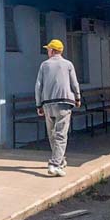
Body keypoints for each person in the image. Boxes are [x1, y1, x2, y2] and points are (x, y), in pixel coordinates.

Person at [35, 39, 81, 177]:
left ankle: (59, 160)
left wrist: (38, 104)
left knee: (52, 134)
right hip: (64, 103)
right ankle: (54, 164)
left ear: (53, 50)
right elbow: (74, 83)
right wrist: (78, 98)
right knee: (61, 134)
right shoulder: (68, 64)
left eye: (48, 49)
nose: (47, 52)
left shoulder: (44, 65)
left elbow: (38, 86)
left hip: (48, 104)